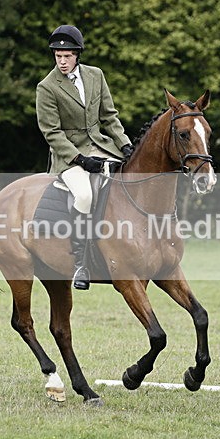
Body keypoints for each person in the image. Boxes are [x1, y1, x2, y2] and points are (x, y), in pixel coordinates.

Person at [36, 25, 134, 290]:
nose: (62, 61)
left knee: (129, 181)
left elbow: (109, 117)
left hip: (100, 146)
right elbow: (51, 133)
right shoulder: (46, 87)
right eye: (58, 56)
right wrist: (79, 159)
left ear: (77, 55)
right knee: (84, 195)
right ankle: (81, 262)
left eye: (67, 56)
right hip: (68, 156)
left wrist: (124, 145)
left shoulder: (95, 75)